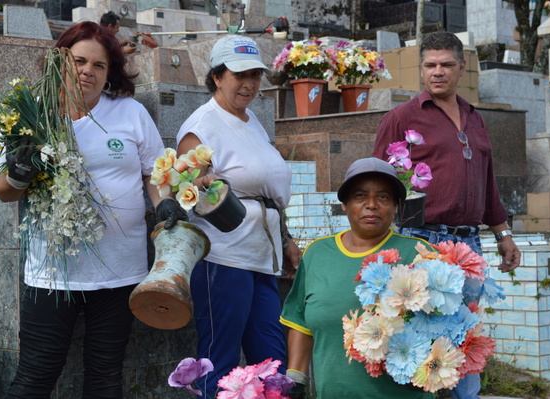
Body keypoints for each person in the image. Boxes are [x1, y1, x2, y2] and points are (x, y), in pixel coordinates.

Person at [0, 21, 184, 397]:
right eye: (79, 61)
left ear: (109, 72)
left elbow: (154, 173)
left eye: (99, 65)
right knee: (35, 376)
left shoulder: (129, 113)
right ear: (59, 63)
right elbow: (1, 190)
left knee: (105, 376)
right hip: (52, 273)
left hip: (120, 272)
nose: (88, 71)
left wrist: (166, 205)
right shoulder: (30, 116)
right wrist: (18, 173)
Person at [372, 31, 521, 399]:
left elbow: (488, 183)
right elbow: (376, 181)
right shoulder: (402, 117)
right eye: (430, 65)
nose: (438, 72)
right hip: (422, 240)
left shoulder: (474, 118)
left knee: (463, 334)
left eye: (446, 65)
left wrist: (503, 235)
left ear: (461, 68)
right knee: (420, 336)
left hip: (469, 244)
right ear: (422, 69)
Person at [175, 34, 302, 397]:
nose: (248, 84)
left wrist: (287, 239)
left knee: (271, 363)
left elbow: (268, 196)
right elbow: (190, 193)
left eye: (256, 75)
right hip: (223, 259)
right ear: (216, 76)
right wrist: (202, 181)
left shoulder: (252, 122)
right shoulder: (202, 125)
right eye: (238, 75)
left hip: (262, 259)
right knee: (219, 359)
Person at [281, 157, 434, 399]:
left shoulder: (419, 255)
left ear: (396, 206)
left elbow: (443, 326)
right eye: (360, 196)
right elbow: (300, 321)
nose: (371, 205)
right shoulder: (317, 254)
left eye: (383, 197)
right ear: (345, 204)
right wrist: (296, 380)